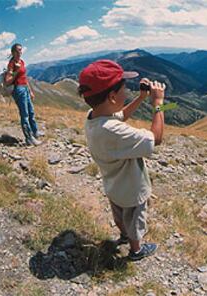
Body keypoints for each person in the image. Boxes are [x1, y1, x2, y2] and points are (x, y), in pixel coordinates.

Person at [79, 59, 165, 261]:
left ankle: (124, 235)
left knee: (120, 216)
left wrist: (142, 97)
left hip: (114, 185)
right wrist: (158, 104)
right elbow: (156, 138)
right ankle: (136, 250)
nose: (126, 92)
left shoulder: (93, 116)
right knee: (136, 219)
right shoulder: (114, 131)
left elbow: (120, 115)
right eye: (124, 88)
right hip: (132, 189)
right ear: (111, 96)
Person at [4, 43, 43, 146]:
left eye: (20, 50)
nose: (19, 52)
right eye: (17, 51)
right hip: (18, 90)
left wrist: (30, 91)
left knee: (31, 112)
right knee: (24, 114)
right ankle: (29, 138)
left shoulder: (21, 62)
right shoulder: (11, 64)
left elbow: (24, 78)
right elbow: (7, 81)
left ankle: (35, 132)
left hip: (25, 88)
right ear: (12, 52)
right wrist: (16, 72)